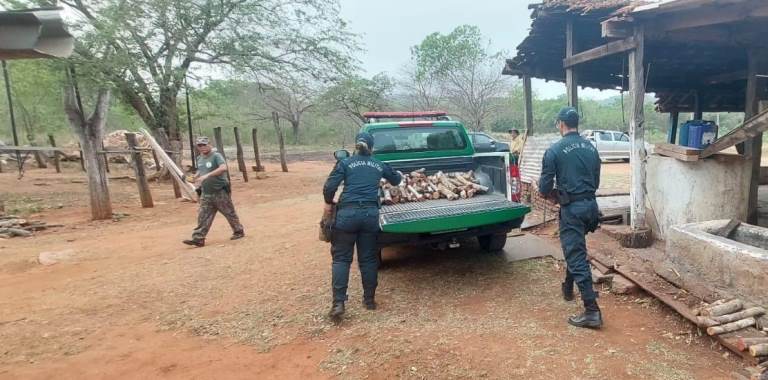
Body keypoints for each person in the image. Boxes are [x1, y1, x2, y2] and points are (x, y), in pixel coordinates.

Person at [322, 132, 402, 320]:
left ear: (356, 145)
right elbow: (396, 180)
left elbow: (329, 186)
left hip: (346, 215)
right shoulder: (378, 163)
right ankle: (369, 300)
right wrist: (397, 174)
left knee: (341, 259)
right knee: (368, 259)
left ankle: (338, 303)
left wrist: (328, 201)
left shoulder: (345, 163)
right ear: (371, 147)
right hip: (369, 215)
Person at [538, 107, 602, 329]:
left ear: (560, 124)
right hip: (591, 207)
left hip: (572, 209)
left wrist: (558, 196)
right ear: (576, 123)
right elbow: (596, 181)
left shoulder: (554, 150)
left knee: (575, 253)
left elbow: (544, 188)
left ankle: (592, 311)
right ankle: (568, 287)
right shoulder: (591, 148)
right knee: (575, 248)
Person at [183, 136, 244, 247]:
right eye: (200, 145)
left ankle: (238, 231)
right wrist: (194, 177)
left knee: (229, 213)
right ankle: (198, 238)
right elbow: (201, 171)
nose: (202, 147)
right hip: (206, 193)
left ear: (209, 144)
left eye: (204, 145)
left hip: (220, 191)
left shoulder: (216, 156)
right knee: (203, 216)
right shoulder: (199, 158)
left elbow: (223, 168)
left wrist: (207, 175)